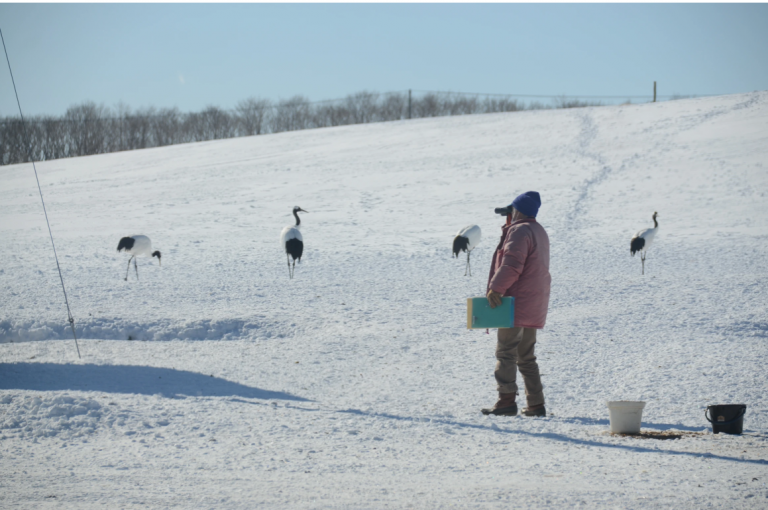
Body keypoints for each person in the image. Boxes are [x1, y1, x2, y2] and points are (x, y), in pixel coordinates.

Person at [481, 191, 551, 417]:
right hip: (533, 304)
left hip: (516, 304)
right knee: (526, 355)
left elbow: (512, 264)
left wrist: (496, 289)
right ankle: (536, 403)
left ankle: (506, 400)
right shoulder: (539, 231)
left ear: (518, 210)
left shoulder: (520, 231)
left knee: (506, 352)